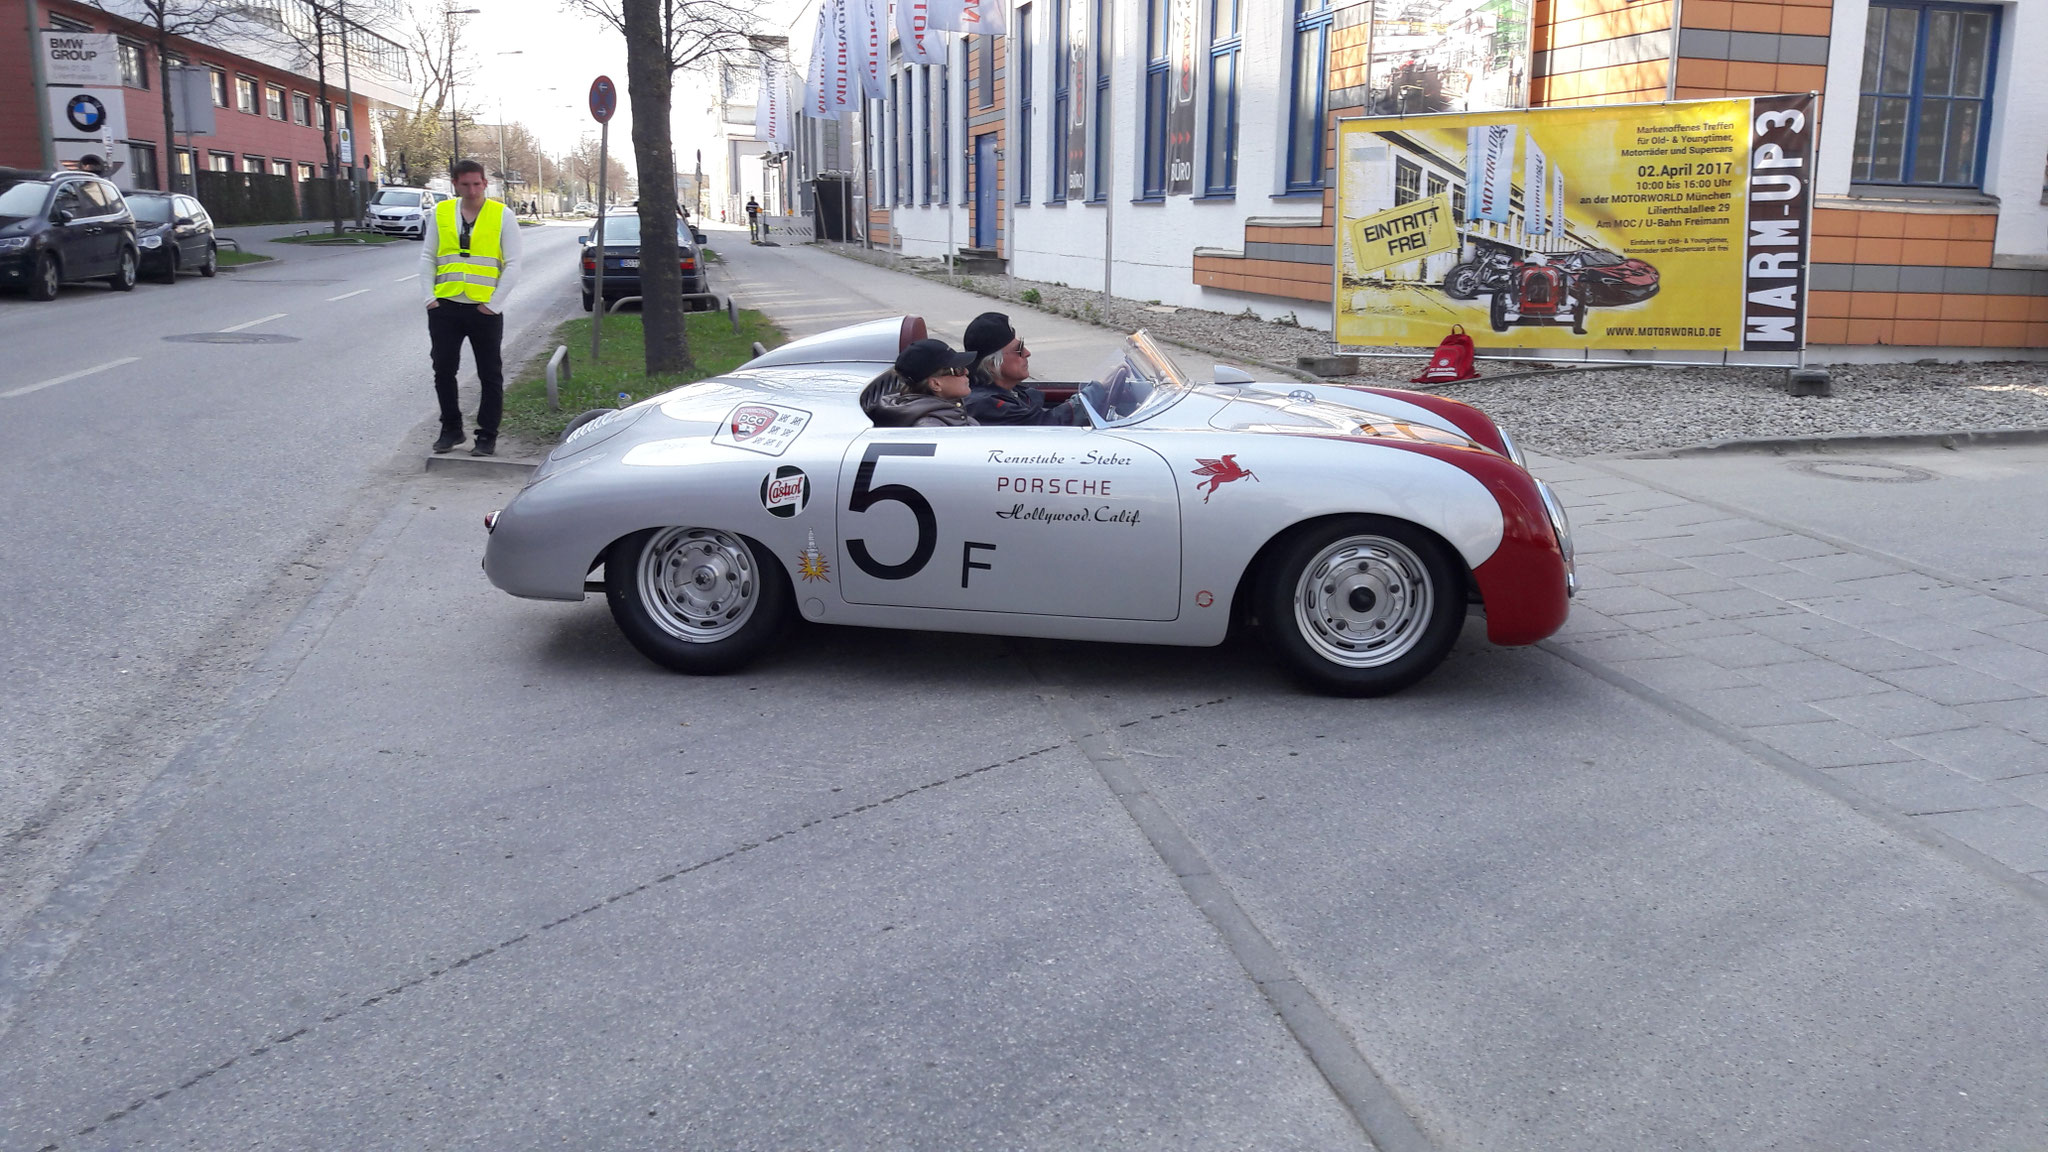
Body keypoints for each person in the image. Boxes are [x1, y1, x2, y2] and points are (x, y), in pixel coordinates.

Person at [421, 158, 524, 456]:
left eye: (477, 184)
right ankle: (451, 429)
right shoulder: (441, 213)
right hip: (446, 306)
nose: (472, 190)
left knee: (490, 374)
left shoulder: (501, 215)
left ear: (485, 183)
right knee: (443, 370)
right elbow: (428, 258)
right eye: (465, 184)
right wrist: (429, 298)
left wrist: (494, 304)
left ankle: (487, 435)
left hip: (484, 310)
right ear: (455, 184)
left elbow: (514, 263)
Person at [960, 311, 1095, 427]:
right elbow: (1047, 424)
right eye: (1018, 350)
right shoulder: (986, 404)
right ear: (991, 364)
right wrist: (1096, 392)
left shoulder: (1009, 392)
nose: (1027, 353)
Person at [860, 339, 979, 427]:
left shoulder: (948, 412)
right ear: (935, 384)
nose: (966, 371)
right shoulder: (930, 427)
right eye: (958, 370)